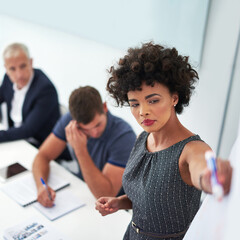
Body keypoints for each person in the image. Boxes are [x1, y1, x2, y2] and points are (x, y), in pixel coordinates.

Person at [95, 42, 232, 240]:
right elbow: (150, 199)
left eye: (153, 100)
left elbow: (202, 170)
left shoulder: (192, 149)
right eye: (135, 104)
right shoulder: (143, 138)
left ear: (174, 98)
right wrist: (119, 202)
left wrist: (211, 177)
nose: (143, 111)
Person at [32, 86, 136, 207]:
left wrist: (80, 150)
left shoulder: (124, 136)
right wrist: (41, 186)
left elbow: (106, 195)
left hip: (114, 206)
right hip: (83, 190)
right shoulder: (70, 121)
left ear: (105, 107)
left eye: (97, 125)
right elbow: (43, 156)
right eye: (85, 129)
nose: (94, 133)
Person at [0, 43, 60, 147]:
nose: (19, 74)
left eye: (23, 66)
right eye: (12, 69)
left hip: (39, 146)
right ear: (6, 69)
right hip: (17, 140)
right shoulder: (8, 78)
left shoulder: (45, 89)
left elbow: (28, 130)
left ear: (31, 62)